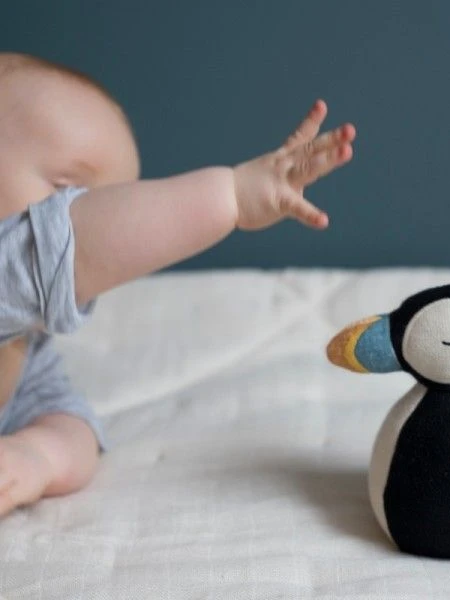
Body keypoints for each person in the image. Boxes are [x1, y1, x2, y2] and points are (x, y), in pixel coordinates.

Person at [0, 52, 356, 516]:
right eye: (69, 195)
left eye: (115, 202)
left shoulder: (28, 350)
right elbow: (67, 246)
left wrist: (38, 455)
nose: (101, 218)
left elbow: (70, 419)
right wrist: (231, 196)